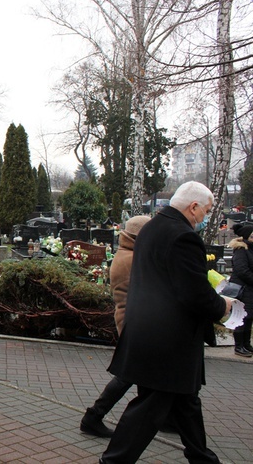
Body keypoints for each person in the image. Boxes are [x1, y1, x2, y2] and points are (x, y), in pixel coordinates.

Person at [101, 182, 235, 464]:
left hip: (150, 330)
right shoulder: (182, 236)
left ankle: (202, 457)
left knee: (186, 402)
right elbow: (193, 293)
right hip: (169, 340)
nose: (206, 218)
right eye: (207, 211)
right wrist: (222, 306)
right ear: (193, 207)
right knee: (149, 408)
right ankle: (113, 461)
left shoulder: (151, 228)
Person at [80, 215, 151, 438]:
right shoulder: (132, 258)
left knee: (144, 375)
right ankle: (93, 417)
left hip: (135, 320)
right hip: (135, 322)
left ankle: (164, 416)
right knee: (128, 375)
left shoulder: (132, 254)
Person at [228, 223, 253, 357]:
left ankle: (246, 344)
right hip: (242, 289)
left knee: (249, 318)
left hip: (249, 289)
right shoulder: (241, 250)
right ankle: (239, 346)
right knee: (241, 318)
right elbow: (242, 270)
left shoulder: (250, 249)